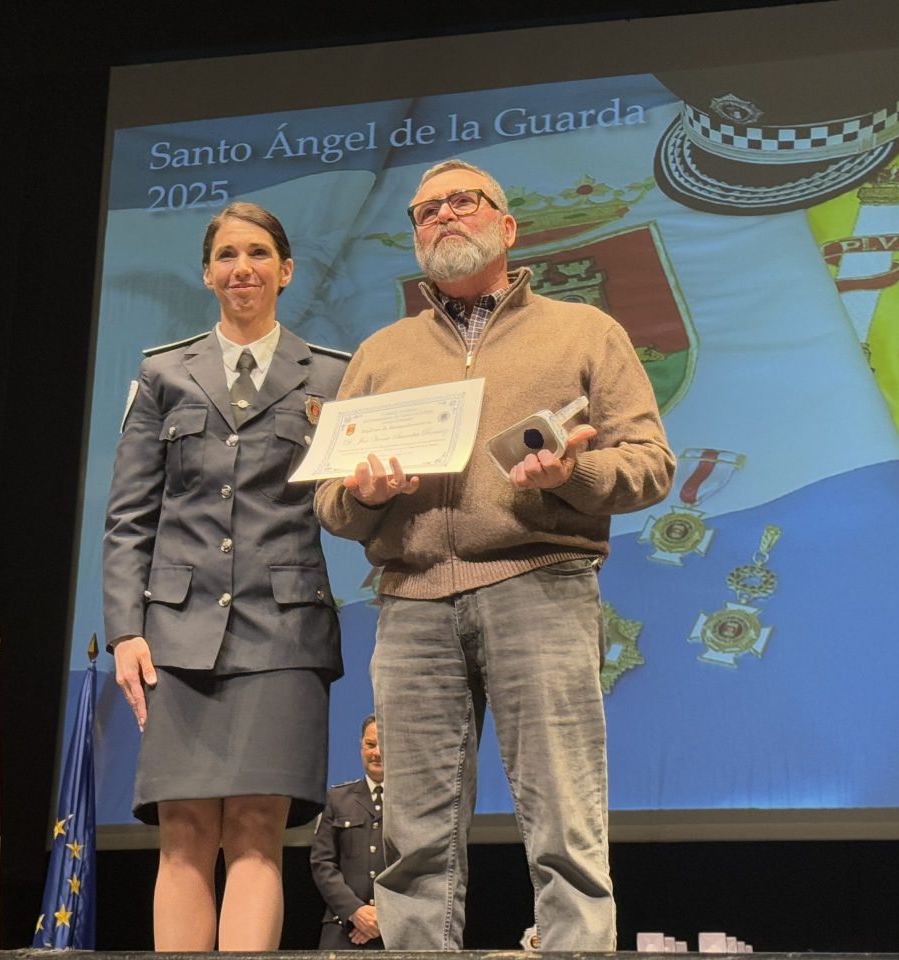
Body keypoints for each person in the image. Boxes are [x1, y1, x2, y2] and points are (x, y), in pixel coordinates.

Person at [314, 160, 675, 951]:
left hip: (540, 584)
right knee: (413, 844)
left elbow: (651, 464)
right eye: (425, 211)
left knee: (564, 823)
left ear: (507, 227)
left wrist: (570, 472)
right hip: (410, 604)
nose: (442, 216)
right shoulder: (380, 353)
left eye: (461, 202)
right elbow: (330, 499)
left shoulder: (584, 331)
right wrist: (366, 495)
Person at [103, 201, 347, 951]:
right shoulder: (162, 373)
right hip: (176, 634)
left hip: (284, 631)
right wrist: (125, 633)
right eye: (227, 256)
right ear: (207, 273)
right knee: (182, 833)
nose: (243, 268)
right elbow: (129, 517)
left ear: (286, 270)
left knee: (254, 831)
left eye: (259, 254)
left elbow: (349, 507)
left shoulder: (335, 376)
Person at [310, 715, 387, 949]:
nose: (377, 753)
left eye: (383, 744)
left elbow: (416, 866)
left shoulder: (410, 803)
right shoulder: (337, 799)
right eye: (370, 745)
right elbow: (322, 864)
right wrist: (355, 912)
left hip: (396, 933)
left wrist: (384, 919)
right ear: (360, 746)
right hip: (343, 929)